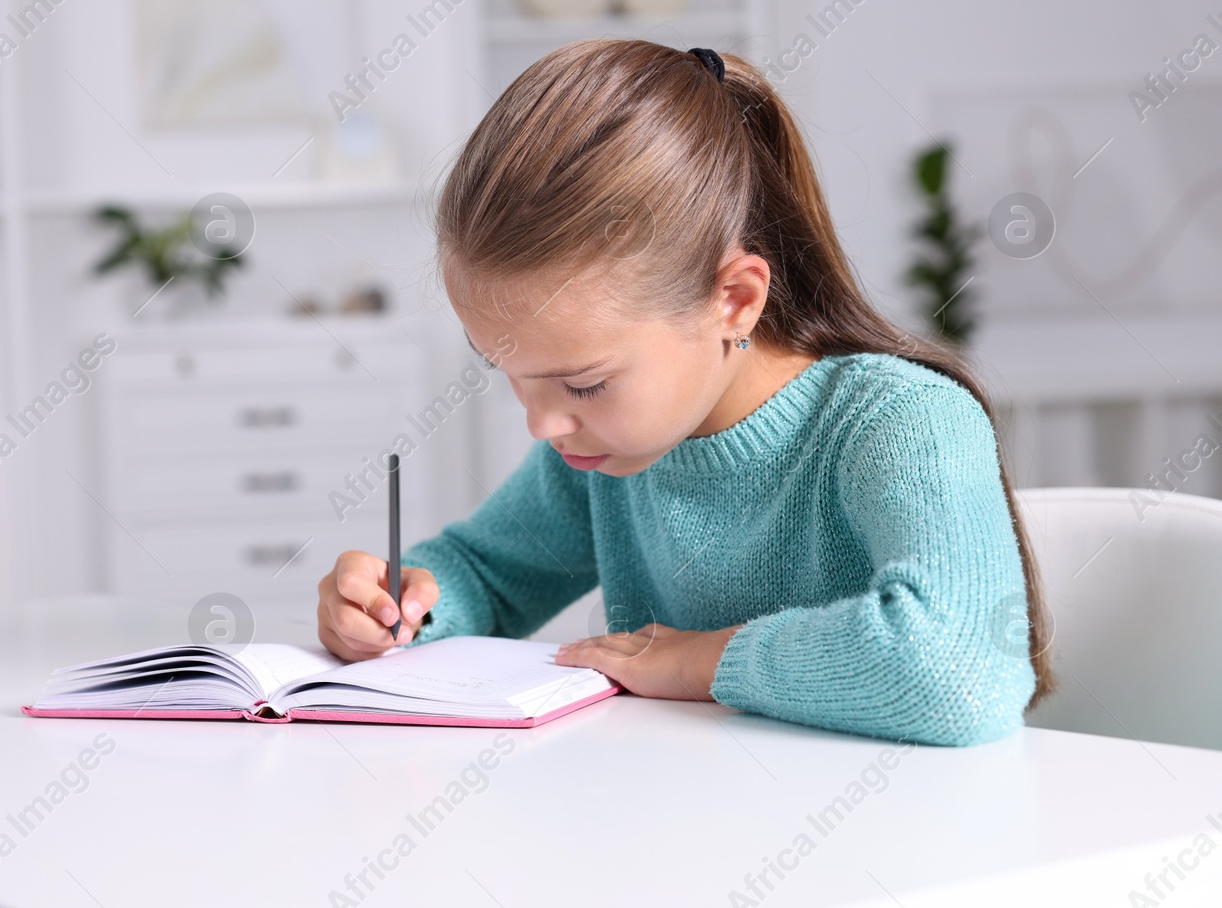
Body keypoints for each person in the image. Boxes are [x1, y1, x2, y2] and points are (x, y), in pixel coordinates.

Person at [315, 40, 1051, 746]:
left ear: (733, 300)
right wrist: (401, 606)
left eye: (584, 382)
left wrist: (697, 661)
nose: (542, 422)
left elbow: (960, 671)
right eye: (504, 369)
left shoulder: (902, 422)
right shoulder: (607, 451)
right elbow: (485, 573)